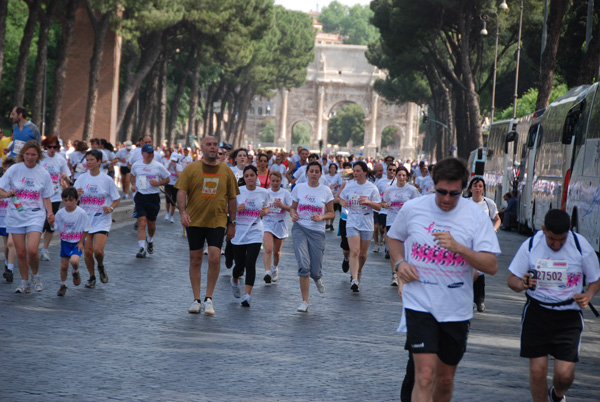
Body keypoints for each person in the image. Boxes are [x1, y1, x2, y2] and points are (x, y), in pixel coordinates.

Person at [387, 157, 500, 401]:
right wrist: (400, 263)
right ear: (432, 185)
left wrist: (460, 248)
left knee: (445, 380)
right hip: (420, 302)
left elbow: (491, 266)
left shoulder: (475, 215)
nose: (447, 199)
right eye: (441, 192)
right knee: (424, 375)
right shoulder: (414, 208)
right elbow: (394, 238)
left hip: (456, 308)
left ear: (464, 188)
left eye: (454, 193)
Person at [507, 209, 600, 402]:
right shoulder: (531, 245)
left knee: (564, 376)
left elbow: (596, 279)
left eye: (561, 240)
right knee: (538, 371)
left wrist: (588, 295)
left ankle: (557, 394)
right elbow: (512, 279)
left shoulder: (580, 245)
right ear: (543, 230)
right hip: (537, 313)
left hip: (568, 317)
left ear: (570, 231)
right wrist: (522, 284)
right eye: (551, 240)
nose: (556, 244)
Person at [176, 136, 239, 315]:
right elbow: (182, 192)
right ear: (202, 148)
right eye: (209, 145)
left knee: (214, 257)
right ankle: (196, 299)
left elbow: (233, 198)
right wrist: (183, 212)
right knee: (195, 259)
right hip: (194, 221)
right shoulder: (191, 169)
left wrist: (232, 223)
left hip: (217, 221)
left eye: (215, 145)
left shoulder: (226, 171)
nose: (212, 147)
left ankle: (209, 298)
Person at [0, 140, 54, 293]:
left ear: (38, 156)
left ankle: (35, 276)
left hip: (35, 215)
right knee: (21, 252)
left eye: (33, 155)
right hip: (16, 215)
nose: (30, 157)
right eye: (27, 154)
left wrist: (50, 213)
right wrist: (6, 194)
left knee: (32, 250)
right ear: (22, 154)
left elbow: (46, 197)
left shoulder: (43, 173)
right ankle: (24, 282)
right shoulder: (14, 170)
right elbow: (1, 190)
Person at [290, 161, 335, 312]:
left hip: (317, 232)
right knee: (303, 265)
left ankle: (317, 276)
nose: (314, 174)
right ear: (307, 173)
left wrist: (321, 217)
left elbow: (331, 213)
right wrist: (293, 215)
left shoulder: (326, 191)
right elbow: (292, 208)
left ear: (320, 174)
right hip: (300, 228)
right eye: (311, 171)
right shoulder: (299, 188)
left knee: (314, 270)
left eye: (317, 171)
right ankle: (305, 301)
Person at [74, 150, 121, 288]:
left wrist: (111, 208)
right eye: (87, 160)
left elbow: (116, 199)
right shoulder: (81, 178)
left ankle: (100, 265)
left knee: (98, 251)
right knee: (88, 252)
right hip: (86, 220)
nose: (88, 162)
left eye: (91, 160)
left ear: (99, 161)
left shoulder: (107, 180)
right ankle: (92, 277)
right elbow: (72, 198)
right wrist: (76, 194)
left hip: (101, 219)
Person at [338, 161, 382, 292]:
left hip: (366, 223)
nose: (355, 173)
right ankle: (354, 279)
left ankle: (358, 270)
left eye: (358, 171)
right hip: (352, 221)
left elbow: (379, 207)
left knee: (362, 254)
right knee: (354, 251)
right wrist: (343, 202)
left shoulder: (372, 188)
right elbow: (339, 198)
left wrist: (368, 201)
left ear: (365, 173)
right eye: (354, 171)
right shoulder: (349, 186)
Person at [230, 165, 269, 307]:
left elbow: (267, 206)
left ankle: (247, 295)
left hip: (255, 231)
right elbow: (228, 209)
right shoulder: (237, 192)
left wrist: (265, 211)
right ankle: (234, 279)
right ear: (243, 178)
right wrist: (236, 209)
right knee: (239, 265)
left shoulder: (263, 192)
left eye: (252, 175)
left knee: (250, 262)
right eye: (246, 176)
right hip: (239, 231)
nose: (249, 178)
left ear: (256, 176)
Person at [467, 177, 501, 312]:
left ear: (484, 188)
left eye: (480, 186)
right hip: (467, 241)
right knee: (468, 269)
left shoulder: (489, 203)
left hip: (482, 241)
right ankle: (468, 299)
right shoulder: (464, 203)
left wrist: (493, 230)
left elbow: (497, 220)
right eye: (475, 186)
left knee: (479, 271)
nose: (477, 189)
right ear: (470, 188)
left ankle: (480, 299)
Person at [130, 144, 170, 258]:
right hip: (140, 196)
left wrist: (157, 183)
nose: (150, 155)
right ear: (142, 154)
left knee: (151, 225)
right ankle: (142, 248)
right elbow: (132, 175)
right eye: (148, 153)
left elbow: (167, 179)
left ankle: (150, 240)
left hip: (153, 197)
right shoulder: (136, 165)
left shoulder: (158, 166)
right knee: (142, 222)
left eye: (152, 152)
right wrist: (133, 185)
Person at [382, 165, 419, 286]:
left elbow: (417, 205)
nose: (401, 177)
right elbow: (384, 202)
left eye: (404, 175)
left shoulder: (412, 190)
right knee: (394, 249)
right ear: (396, 176)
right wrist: (385, 205)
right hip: (392, 221)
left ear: (407, 177)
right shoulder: (389, 189)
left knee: (405, 248)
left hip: (407, 223)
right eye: (399, 175)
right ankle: (394, 274)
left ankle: (404, 272)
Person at [39, 135, 71, 262]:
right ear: (45, 147)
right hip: (40, 195)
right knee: (41, 221)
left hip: (55, 195)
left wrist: (65, 177)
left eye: (55, 147)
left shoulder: (61, 159)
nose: (52, 149)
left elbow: (68, 175)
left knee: (50, 222)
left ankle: (45, 250)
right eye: (49, 147)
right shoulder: (40, 157)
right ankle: (34, 246)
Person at [54, 187, 90, 296]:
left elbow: (86, 228)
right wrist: (51, 222)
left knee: (74, 261)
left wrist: (81, 242)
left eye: (71, 200)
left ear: (76, 200)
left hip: (76, 242)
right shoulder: (60, 213)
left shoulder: (81, 213)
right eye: (65, 200)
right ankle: (63, 285)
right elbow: (55, 226)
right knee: (64, 266)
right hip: (65, 241)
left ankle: (75, 271)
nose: (68, 203)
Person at [262, 171, 292, 284]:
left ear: (281, 181)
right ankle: (267, 272)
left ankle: (274, 268)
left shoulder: (285, 193)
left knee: (276, 252)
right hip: (267, 223)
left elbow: (291, 209)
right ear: (270, 181)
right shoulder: (265, 193)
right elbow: (261, 206)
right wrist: (263, 211)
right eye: (273, 181)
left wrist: (282, 206)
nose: (275, 183)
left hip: (280, 224)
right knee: (268, 249)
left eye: (277, 181)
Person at [374, 163, 396, 254]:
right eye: (390, 169)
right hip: (383, 209)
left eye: (394, 170)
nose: (392, 171)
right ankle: (381, 242)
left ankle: (388, 249)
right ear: (386, 170)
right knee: (383, 229)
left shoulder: (397, 182)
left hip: (394, 210)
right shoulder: (381, 182)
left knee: (389, 229)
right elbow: (376, 194)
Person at [1, 157, 16, 282]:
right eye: (6, 170)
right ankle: (7, 263)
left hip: (12, 218)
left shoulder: (16, 184)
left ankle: (10, 269)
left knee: (11, 244)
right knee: (6, 245)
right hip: (2, 218)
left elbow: (19, 203)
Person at [162, 150, 182, 223]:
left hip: (175, 185)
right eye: (172, 160)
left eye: (174, 160)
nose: (173, 161)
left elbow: (179, 176)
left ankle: (171, 215)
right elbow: (164, 173)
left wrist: (175, 168)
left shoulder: (179, 166)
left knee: (173, 201)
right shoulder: (167, 164)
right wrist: (169, 166)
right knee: (168, 199)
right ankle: (167, 212)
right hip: (168, 183)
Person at [324, 163, 342, 231]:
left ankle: (331, 223)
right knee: (327, 210)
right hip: (328, 195)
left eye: (334, 167)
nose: (332, 169)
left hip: (336, 196)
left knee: (333, 211)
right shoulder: (326, 176)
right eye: (331, 167)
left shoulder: (338, 176)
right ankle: (326, 223)